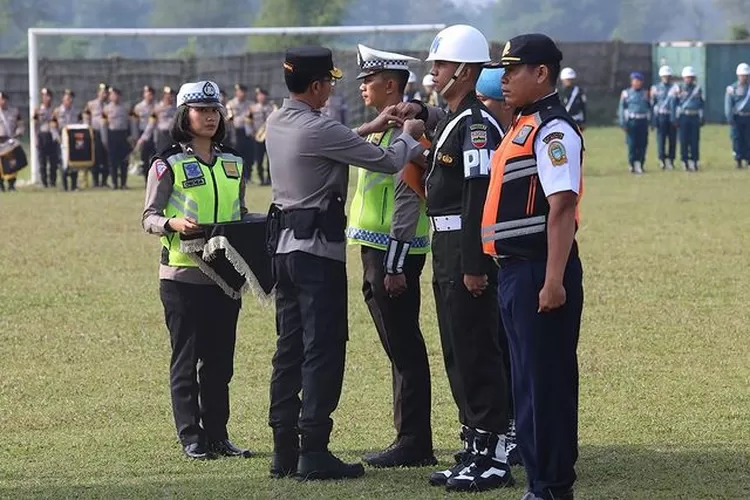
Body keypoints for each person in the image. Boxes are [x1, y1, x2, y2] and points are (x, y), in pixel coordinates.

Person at [265, 45, 425, 481]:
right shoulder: (321, 128)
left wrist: (372, 124)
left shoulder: (278, 121)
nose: (334, 89)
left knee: (289, 348)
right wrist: (409, 133)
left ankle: (284, 449)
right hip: (318, 254)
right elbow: (390, 160)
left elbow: (327, 140)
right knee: (323, 349)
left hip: (283, 250)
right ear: (316, 86)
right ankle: (313, 448)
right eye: (330, 83)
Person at [396, 24, 514, 492]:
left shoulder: (478, 126)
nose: (433, 73)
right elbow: (440, 139)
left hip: (464, 252)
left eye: (440, 66)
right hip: (445, 248)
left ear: (464, 70)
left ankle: (494, 455)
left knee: (477, 352)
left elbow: (477, 198)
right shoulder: (455, 119)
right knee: (456, 352)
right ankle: (473, 446)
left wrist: (474, 264)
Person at [481, 33, 584, 500]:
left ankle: (551, 485)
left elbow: (562, 206)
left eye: (512, 70)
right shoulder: (523, 125)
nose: (503, 79)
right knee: (526, 380)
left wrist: (554, 280)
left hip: (541, 270)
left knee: (544, 383)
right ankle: (540, 481)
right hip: (515, 271)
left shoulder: (553, 130)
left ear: (540, 74)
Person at [141, 80, 251, 461]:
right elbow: (149, 217)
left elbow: (238, 212)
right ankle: (191, 435)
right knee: (186, 361)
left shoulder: (234, 161)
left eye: (213, 109)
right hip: (183, 277)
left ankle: (218, 435)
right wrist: (173, 224)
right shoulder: (166, 162)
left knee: (220, 362)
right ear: (183, 115)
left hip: (227, 278)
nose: (208, 116)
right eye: (200, 109)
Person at [347, 43, 436, 469]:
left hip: (392, 252)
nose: (362, 86)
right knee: (399, 345)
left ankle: (414, 441)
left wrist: (396, 264)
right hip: (378, 250)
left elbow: (405, 198)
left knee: (404, 346)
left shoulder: (411, 134)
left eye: (369, 80)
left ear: (390, 85)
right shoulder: (386, 127)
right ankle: (411, 437)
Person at [618, 72, 650, 174]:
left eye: (639, 81)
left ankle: (640, 163)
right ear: (632, 82)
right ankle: (632, 164)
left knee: (642, 144)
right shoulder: (626, 93)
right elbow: (621, 108)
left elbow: (651, 107)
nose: (637, 83)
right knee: (632, 144)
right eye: (635, 81)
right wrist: (623, 122)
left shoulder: (645, 93)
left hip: (643, 121)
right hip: (632, 121)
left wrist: (652, 121)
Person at [676, 66, 704, 172]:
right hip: (683, 116)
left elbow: (701, 103)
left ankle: (694, 161)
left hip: (694, 116)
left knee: (694, 140)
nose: (689, 79)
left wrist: (701, 116)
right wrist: (675, 118)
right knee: (683, 140)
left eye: (691, 77)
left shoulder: (697, 89)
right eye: (687, 77)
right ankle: (684, 160)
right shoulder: (678, 88)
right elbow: (675, 103)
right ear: (684, 78)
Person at [54, 89, 82, 192]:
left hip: (74, 139)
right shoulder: (57, 111)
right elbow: (53, 126)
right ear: (63, 99)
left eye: (70, 99)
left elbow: (81, 123)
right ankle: (65, 186)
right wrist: (57, 137)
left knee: (74, 162)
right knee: (63, 162)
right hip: (62, 139)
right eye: (67, 99)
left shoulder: (77, 111)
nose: (68, 101)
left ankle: (74, 185)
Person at [650, 65, 678, 170]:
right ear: (661, 76)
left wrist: (676, 117)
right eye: (664, 76)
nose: (666, 78)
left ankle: (671, 160)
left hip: (671, 115)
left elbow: (678, 103)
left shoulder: (675, 88)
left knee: (672, 139)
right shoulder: (655, 88)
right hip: (660, 116)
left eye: (667, 76)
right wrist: (653, 120)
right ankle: (662, 159)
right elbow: (652, 104)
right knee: (661, 139)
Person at [104, 87, 132, 189]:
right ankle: (114, 183)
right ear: (110, 96)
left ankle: (123, 183)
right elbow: (104, 125)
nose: (114, 97)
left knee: (124, 160)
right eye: (112, 95)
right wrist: (104, 139)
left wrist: (132, 136)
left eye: (116, 95)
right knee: (113, 161)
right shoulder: (106, 109)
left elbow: (131, 123)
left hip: (123, 135)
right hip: (112, 135)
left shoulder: (126, 108)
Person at [226, 83, 255, 182]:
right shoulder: (231, 104)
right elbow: (229, 118)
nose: (241, 94)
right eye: (239, 91)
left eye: (243, 92)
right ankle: (239, 176)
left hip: (247, 132)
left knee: (249, 155)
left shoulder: (250, 105)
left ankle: (249, 176)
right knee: (237, 155)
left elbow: (252, 118)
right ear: (236, 92)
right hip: (236, 133)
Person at [83, 83, 110, 187]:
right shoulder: (91, 104)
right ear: (98, 93)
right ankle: (95, 181)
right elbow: (86, 117)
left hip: (107, 134)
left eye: (106, 93)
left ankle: (104, 181)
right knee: (95, 158)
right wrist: (87, 131)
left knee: (105, 158)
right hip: (95, 133)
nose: (104, 95)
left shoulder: (109, 106)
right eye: (103, 92)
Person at [725, 62, 750, 169]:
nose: (744, 77)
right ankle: (738, 160)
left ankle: (748, 160)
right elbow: (728, 104)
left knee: (748, 139)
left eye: (746, 75)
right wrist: (729, 117)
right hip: (737, 117)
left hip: (748, 116)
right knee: (737, 139)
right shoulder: (732, 88)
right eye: (742, 75)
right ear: (738, 75)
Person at [34, 87, 60, 188]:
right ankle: (44, 181)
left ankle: (52, 181)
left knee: (53, 161)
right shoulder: (37, 110)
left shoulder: (55, 110)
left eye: (48, 96)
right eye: (45, 96)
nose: (47, 98)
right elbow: (35, 125)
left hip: (52, 136)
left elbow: (57, 123)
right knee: (42, 161)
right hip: (42, 135)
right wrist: (35, 138)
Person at [250, 87, 277, 185]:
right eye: (258, 95)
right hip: (258, 137)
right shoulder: (253, 108)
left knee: (270, 160)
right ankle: (261, 179)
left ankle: (269, 179)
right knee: (259, 159)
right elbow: (248, 121)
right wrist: (251, 132)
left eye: (262, 95)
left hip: (270, 137)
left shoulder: (272, 107)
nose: (260, 97)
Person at [140, 86, 177, 156]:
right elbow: (151, 124)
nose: (170, 97)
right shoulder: (157, 108)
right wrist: (144, 138)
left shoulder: (176, 108)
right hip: (162, 136)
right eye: (167, 95)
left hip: (173, 136)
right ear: (163, 96)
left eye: (171, 96)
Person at [0, 91, 24, 192]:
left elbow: (20, 125)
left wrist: (18, 133)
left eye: (4, 99)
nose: (3, 101)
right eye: (1, 99)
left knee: (12, 163)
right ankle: (1, 185)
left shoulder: (14, 111)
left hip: (10, 140)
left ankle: (11, 185)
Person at [133, 85, 156, 179]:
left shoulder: (156, 106)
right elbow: (134, 123)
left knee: (155, 158)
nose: (148, 96)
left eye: (150, 94)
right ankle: (146, 179)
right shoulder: (138, 107)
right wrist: (136, 137)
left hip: (154, 135)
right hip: (142, 134)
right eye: (147, 93)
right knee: (144, 159)